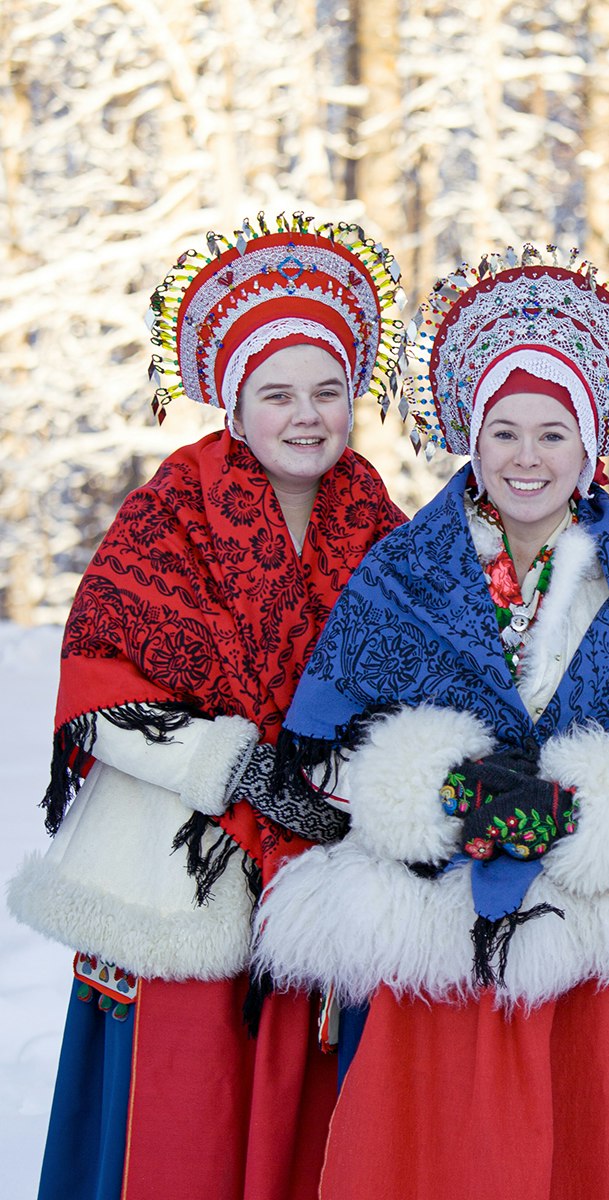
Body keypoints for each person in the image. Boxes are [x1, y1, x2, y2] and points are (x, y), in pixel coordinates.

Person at [253, 247, 609, 1200]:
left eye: (553, 434)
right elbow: (318, 756)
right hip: (426, 930)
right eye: (505, 431)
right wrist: (435, 794)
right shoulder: (400, 572)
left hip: (579, 933)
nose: (527, 458)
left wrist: (589, 809)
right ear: (471, 437)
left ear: (590, 447)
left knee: (579, 1156)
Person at [7, 215, 407, 1200]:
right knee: (180, 1131)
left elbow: (426, 673)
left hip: (323, 877)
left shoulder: (379, 518)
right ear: (235, 401)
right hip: (185, 874)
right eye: (279, 393)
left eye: (327, 392)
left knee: (308, 1135)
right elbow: (100, 681)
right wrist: (239, 766)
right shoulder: (172, 509)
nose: (307, 415)